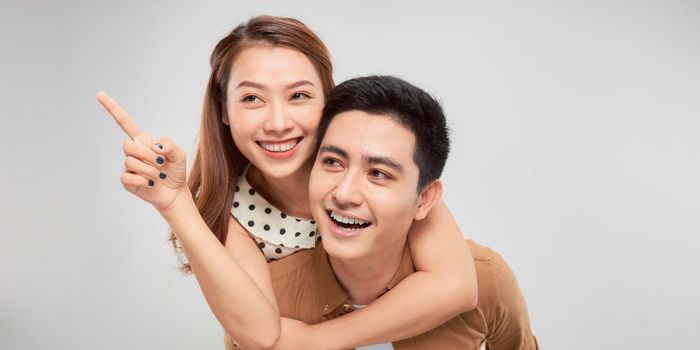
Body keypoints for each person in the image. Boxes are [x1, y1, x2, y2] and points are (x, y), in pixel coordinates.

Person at [97, 16, 478, 349]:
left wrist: (317, 340)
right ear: (223, 110)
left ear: (327, 101)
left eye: (298, 95)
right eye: (251, 98)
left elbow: (456, 285)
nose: (278, 123)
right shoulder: (236, 213)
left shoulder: (366, 165)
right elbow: (261, 335)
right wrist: (175, 203)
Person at [252, 75, 539, 349]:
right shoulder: (267, 301)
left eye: (378, 173)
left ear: (425, 199)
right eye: (332, 162)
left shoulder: (486, 279)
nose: (344, 194)